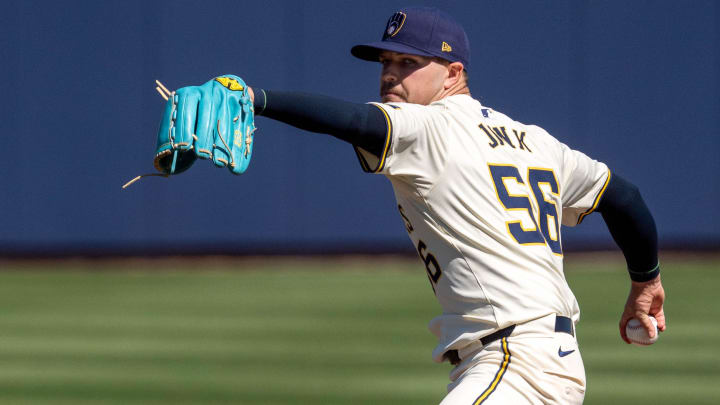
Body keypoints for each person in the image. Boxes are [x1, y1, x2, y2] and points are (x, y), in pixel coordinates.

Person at [175, 6, 666, 404]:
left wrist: (258, 98)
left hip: (515, 365)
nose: (390, 75)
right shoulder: (537, 142)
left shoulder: (429, 127)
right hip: (533, 359)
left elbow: (356, 122)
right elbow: (625, 197)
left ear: (454, 73)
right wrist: (647, 280)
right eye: (386, 63)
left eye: (409, 63)